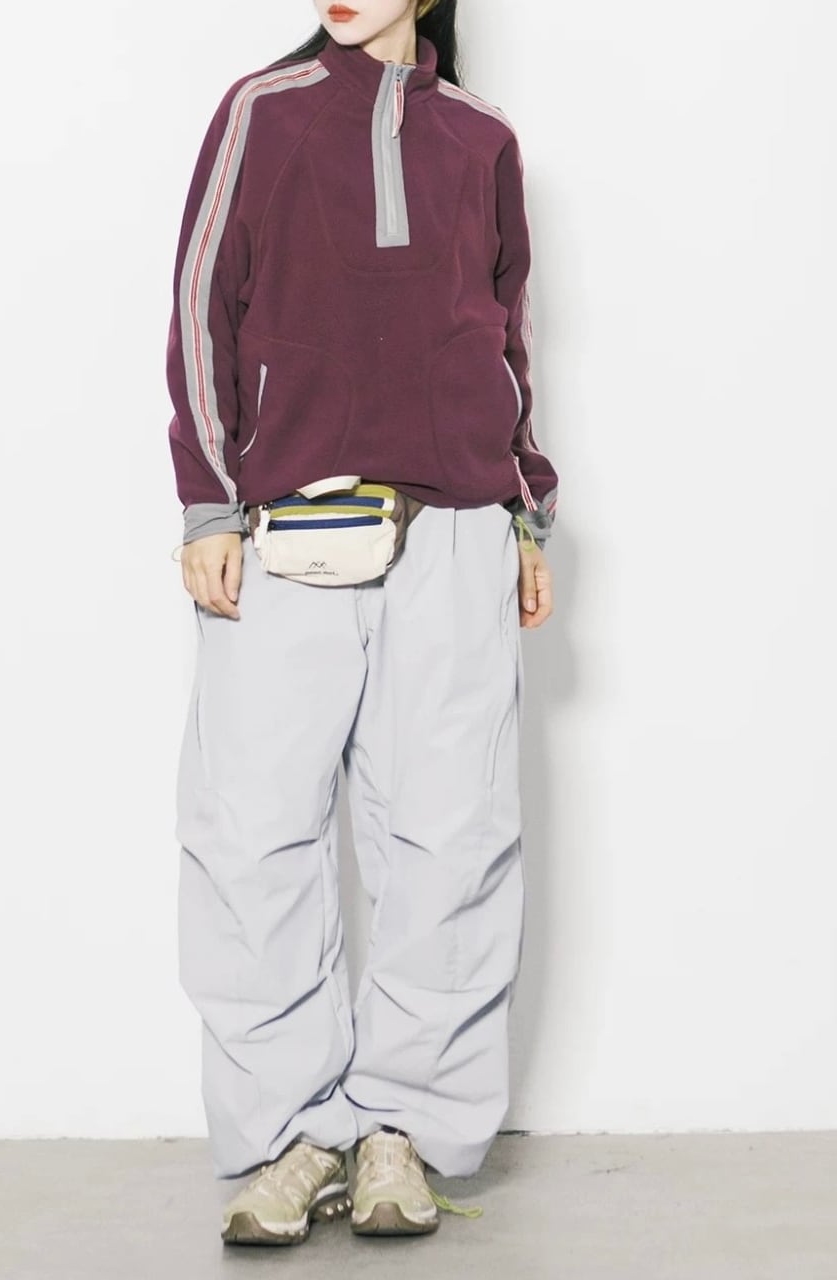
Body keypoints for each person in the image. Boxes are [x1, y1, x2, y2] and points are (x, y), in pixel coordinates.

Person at [164, 0, 559, 1246]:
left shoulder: (479, 138)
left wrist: (527, 509)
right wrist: (206, 502)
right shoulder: (260, 113)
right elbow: (199, 307)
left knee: (450, 835)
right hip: (288, 526)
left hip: (456, 530)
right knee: (251, 834)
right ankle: (291, 1134)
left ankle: (403, 1131)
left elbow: (505, 336)